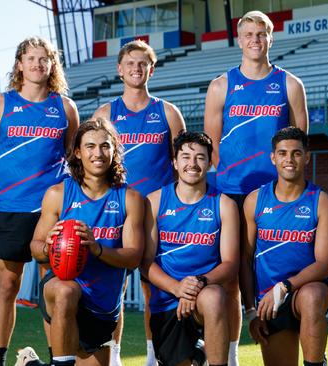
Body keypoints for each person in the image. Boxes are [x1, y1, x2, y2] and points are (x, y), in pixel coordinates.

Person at [204, 11, 309, 362]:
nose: (254, 39)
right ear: (238, 39)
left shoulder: (290, 84)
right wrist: (232, 175)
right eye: (248, 33)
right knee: (231, 272)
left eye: (261, 33)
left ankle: (281, 342)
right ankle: (231, 353)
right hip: (232, 190)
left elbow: (299, 140)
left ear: (270, 37)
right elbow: (212, 144)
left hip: (275, 193)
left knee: (270, 268)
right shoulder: (221, 85)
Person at [0, 36, 79, 366]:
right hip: (11, 211)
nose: (38, 64)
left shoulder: (65, 107)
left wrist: (52, 198)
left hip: (52, 214)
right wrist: (12, 191)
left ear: (52, 66)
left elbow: (70, 156)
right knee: (8, 287)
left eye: (44, 59)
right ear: (19, 64)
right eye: (31, 58)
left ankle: (57, 359)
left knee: (52, 289)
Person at [93, 40, 185, 366]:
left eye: (142, 63)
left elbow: (182, 165)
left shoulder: (168, 113)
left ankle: (151, 356)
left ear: (151, 69)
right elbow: (94, 163)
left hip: (154, 216)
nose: (136, 68)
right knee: (111, 290)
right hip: (115, 213)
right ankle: (114, 356)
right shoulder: (106, 114)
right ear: (119, 69)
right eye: (130, 63)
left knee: (154, 291)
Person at [27, 118, 144, 366]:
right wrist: (48, 247)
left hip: (102, 305)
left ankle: (30, 364)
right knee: (66, 290)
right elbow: (35, 248)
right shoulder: (58, 194)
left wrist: (97, 248)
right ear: (78, 153)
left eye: (105, 146)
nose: (98, 153)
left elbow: (134, 256)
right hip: (63, 291)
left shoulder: (130, 198)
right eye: (90, 147)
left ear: (114, 151)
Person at [241, 127, 328, 366]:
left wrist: (285, 287)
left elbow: (324, 264)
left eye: (296, 153)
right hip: (268, 302)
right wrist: (251, 311)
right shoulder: (255, 200)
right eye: (283, 153)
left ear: (306, 157)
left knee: (312, 295)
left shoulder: (322, 202)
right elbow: (245, 259)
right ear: (273, 157)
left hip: (303, 290)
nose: (289, 159)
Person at [141, 131, 239, 366]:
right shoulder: (154, 201)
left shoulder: (225, 205)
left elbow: (230, 264)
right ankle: (197, 351)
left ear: (209, 162)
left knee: (215, 297)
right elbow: (146, 263)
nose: (192, 164)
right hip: (167, 302)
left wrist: (196, 284)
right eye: (185, 157)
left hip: (204, 293)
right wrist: (177, 288)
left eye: (200, 157)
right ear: (175, 163)